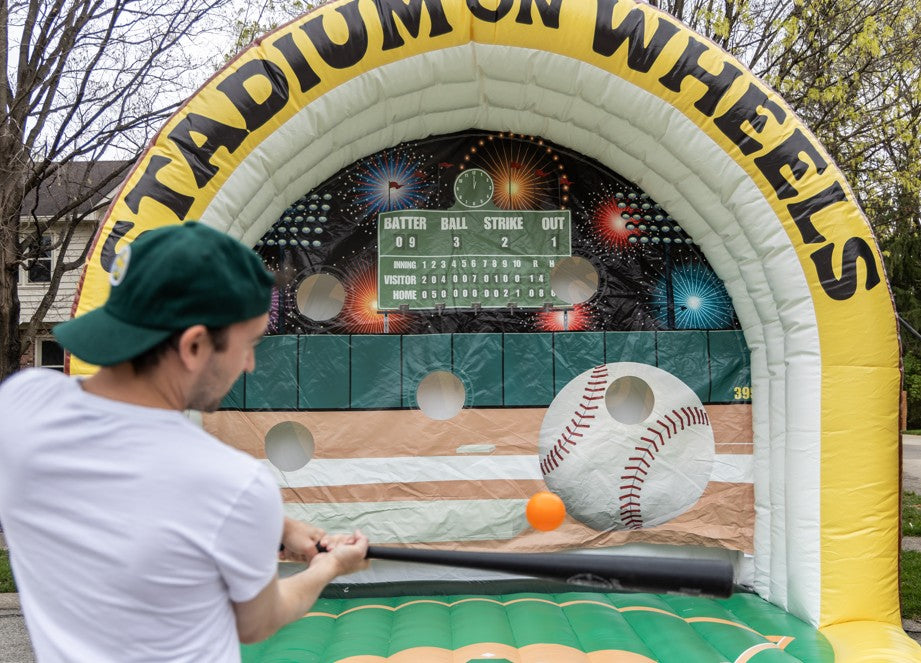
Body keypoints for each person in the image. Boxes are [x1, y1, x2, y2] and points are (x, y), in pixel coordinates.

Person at [0, 221, 369, 662]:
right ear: (194, 345)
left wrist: (280, 526)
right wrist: (329, 567)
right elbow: (257, 622)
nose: (250, 364)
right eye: (248, 343)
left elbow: (130, 491)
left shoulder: (21, 407)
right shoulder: (232, 483)